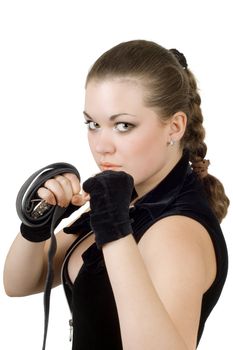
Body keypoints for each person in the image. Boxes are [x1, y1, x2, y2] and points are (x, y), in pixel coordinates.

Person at [4, 39, 229, 350]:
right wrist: (38, 223)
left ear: (175, 127)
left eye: (123, 125)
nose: (101, 145)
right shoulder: (130, 199)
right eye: (93, 124)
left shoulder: (176, 233)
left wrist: (114, 230)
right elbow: (19, 284)